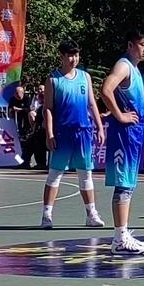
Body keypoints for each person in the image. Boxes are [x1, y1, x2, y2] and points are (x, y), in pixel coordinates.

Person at [40, 45, 105, 230]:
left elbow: (92, 104)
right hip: (62, 133)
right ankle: (47, 215)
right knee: (55, 174)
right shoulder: (53, 79)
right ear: (62, 56)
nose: (74, 59)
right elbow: (48, 108)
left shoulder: (85, 77)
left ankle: (91, 214)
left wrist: (99, 127)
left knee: (85, 174)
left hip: (83, 132)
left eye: (76, 55)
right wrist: (50, 134)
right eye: (70, 55)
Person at [100, 29, 144, 256]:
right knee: (123, 184)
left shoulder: (135, 69)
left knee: (128, 184)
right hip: (124, 134)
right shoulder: (124, 66)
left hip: (134, 134)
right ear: (130, 45)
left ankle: (122, 233)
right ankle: (119, 238)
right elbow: (106, 89)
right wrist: (120, 115)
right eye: (141, 44)